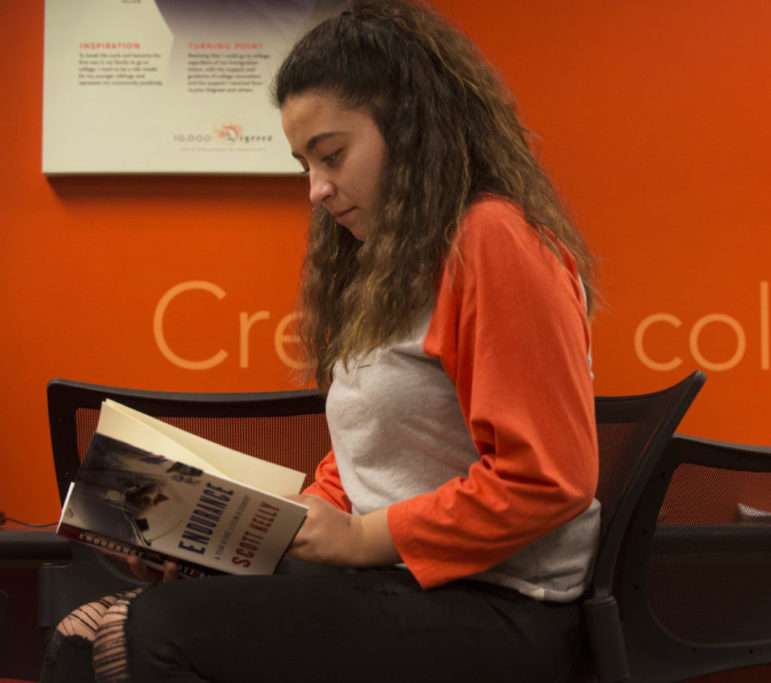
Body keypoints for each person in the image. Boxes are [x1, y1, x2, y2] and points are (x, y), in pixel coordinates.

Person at [41, 0, 599, 680]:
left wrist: (364, 535)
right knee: (84, 631)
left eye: (331, 154)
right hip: (399, 583)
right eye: (305, 162)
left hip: (498, 604)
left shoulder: (493, 238)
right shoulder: (389, 265)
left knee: (154, 630)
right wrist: (251, 528)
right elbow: (374, 457)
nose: (317, 188)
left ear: (411, 128)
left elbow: (548, 479)